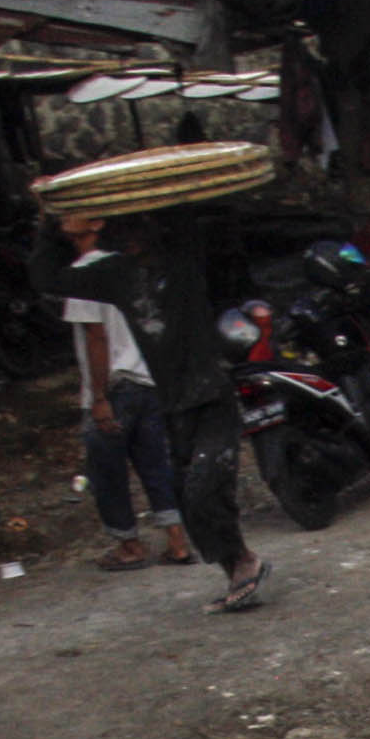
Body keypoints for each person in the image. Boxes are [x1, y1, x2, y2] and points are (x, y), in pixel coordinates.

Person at [37, 202, 268, 613]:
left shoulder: (185, 261)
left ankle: (243, 561)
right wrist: (45, 227)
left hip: (210, 392)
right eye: (126, 227)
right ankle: (238, 564)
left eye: (139, 225)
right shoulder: (115, 275)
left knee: (204, 483)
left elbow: (194, 223)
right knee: (188, 493)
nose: (133, 235)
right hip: (173, 401)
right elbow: (48, 278)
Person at [67, 267, 194, 573]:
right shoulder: (131, 270)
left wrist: (98, 398)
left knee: (107, 470)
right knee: (155, 464)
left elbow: (96, 335)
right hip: (145, 379)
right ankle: (177, 541)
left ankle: (129, 546)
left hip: (115, 384)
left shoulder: (80, 276)